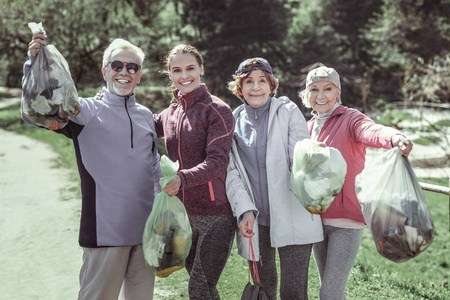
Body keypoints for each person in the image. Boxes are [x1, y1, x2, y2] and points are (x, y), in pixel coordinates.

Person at [23, 34, 163, 300]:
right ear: (105, 71)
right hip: (104, 235)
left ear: (140, 75)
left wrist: (163, 211)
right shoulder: (84, 111)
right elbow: (37, 111)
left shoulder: (146, 116)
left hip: (146, 236)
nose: (124, 72)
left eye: (132, 67)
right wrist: (34, 63)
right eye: (117, 65)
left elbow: (153, 168)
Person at [299, 65, 414, 300]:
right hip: (314, 221)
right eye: (314, 89)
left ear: (338, 93)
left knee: (330, 292)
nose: (321, 95)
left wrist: (394, 137)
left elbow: (370, 130)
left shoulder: (350, 118)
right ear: (307, 95)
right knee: (327, 288)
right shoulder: (307, 128)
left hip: (346, 220)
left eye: (328, 89)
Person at [225, 57, 324, 300]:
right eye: (249, 82)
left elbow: (299, 155)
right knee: (265, 288)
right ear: (240, 88)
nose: (256, 87)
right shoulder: (232, 120)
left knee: (293, 291)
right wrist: (244, 210)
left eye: (262, 81)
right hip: (255, 220)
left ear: (272, 85)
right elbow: (233, 173)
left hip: (293, 213)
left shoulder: (288, 112)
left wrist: (312, 162)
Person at [154, 44, 235, 300]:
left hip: (216, 215)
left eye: (190, 68)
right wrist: (108, 98)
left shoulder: (217, 110)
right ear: (169, 74)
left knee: (199, 287)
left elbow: (217, 162)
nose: (184, 75)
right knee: (204, 288)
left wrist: (182, 179)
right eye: (176, 70)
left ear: (201, 69)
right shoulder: (170, 113)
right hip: (183, 215)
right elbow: (135, 122)